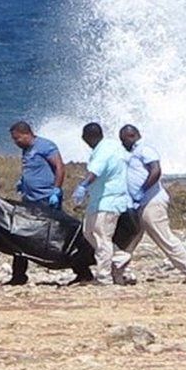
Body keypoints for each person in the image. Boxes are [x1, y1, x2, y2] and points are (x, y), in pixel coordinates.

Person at [119, 124, 186, 283]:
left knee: (162, 236)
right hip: (139, 203)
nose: (123, 143)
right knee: (131, 237)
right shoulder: (132, 153)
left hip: (152, 201)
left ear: (132, 136)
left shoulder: (145, 150)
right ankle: (119, 270)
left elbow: (156, 171)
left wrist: (142, 190)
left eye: (124, 140)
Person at [6, 120, 66, 285]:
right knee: (21, 235)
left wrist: (56, 190)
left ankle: (81, 269)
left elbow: (60, 167)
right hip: (29, 199)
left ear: (26, 134)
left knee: (56, 236)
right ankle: (18, 276)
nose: (15, 142)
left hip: (47, 198)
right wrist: (23, 181)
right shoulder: (26, 150)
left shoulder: (45, 146)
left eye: (17, 138)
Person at [72, 122, 132, 285]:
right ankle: (120, 257)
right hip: (98, 201)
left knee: (101, 238)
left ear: (89, 137)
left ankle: (103, 277)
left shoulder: (103, 151)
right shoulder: (112, 146)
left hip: (108, 201)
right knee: (88, 232)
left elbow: (95, 172)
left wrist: (83, 186)